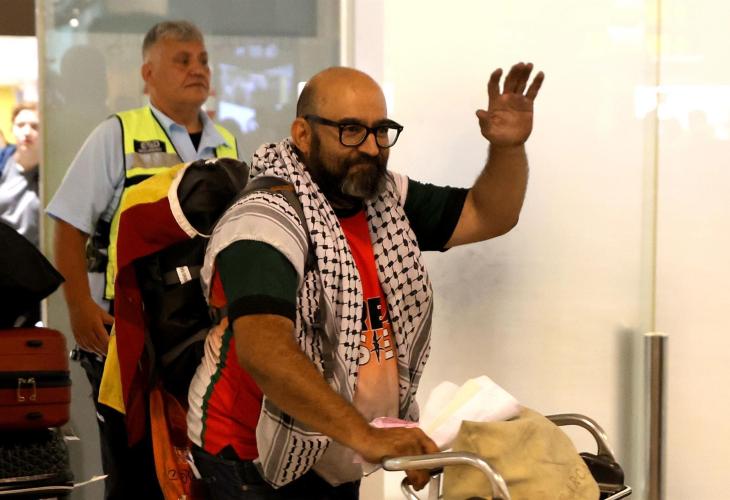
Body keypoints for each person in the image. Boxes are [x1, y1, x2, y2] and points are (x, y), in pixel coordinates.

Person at [186, 62, 544, 499]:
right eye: (351, 130)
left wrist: (508, 149)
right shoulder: (263, 221)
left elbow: (487, 214)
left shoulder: (383, 199)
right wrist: (366, 435)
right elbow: (265, 351)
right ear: (303, 134)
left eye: (381, 131)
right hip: (251, 456)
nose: (372, 148)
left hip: (336, 446)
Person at [46, 20, 239, 499]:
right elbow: (68, 225)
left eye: (203, 60)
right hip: (129, 331)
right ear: (148, 73)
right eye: (182, 60)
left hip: (202, 331)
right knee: (134, 468)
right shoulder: (117, 135)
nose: (198, 69)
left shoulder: (227, 145)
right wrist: (79, 307)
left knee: (204, 467)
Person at [0, 102, 40, 249]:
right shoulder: (2, 164)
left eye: (34, 126)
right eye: (21, 125)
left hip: (35, 257)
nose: (27, 132)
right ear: (12, 129)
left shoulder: (51, 173)